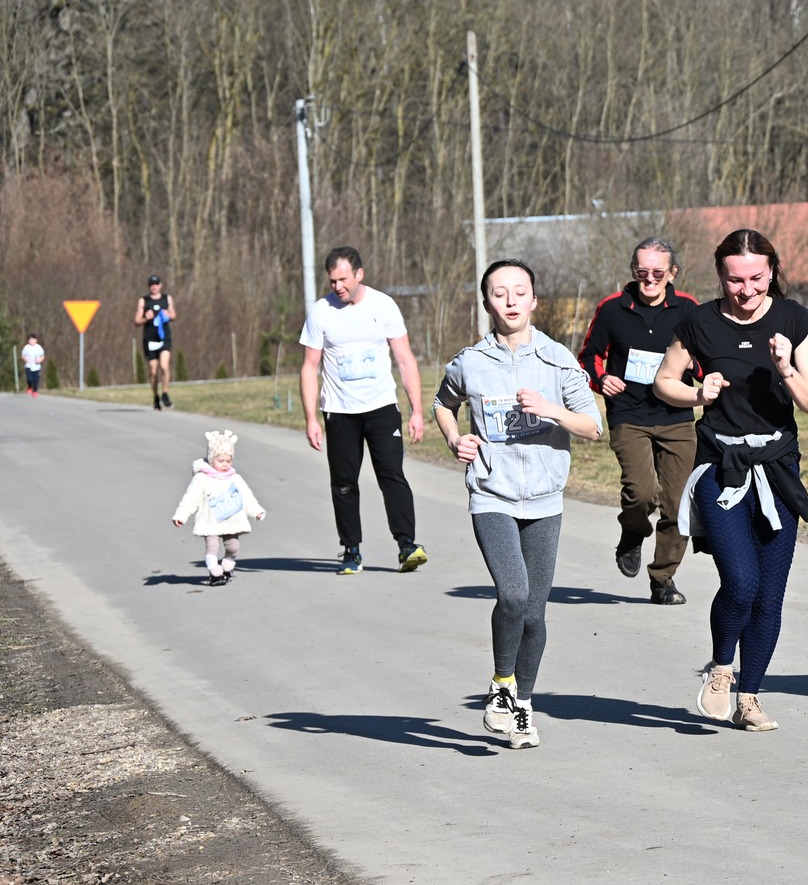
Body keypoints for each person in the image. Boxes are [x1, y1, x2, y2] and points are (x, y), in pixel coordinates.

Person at [652, 229, 808, 732]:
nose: (745, 290)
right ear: (720, 276)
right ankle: (722, 667)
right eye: (734, 280)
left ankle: (750, 698)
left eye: (755, 278)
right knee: (741, 582)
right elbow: (665, 382)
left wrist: (786, 368)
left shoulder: (794, 319)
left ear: (772, 270)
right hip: (719, 467)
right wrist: (696, 393)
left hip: (779, 469)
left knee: (770, 595)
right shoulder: (698, 321)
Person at [435, 259, 603, 750]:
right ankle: (501, 684)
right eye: (498, 293)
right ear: (487, 302)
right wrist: (454, 441)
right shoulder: (470, 362)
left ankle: (524, 705)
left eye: (519, 292)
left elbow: (594, 427)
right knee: (512, 594)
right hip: (492, 495)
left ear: (533, 300)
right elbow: (443, 403)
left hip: (545, 501)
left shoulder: (557, 360)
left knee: (534, 612)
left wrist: (552, 410)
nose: (509, 301)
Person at [577, 237, 698, 604]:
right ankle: (632, 532)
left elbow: (708, 356)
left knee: (678, 505)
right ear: (633, 272)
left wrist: (698, 369)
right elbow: (587, 357)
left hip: (677, 415)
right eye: (642, 272)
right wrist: (601, 379)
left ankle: (663, 580)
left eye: (658, 273)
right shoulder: (612, 309)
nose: (649, 279)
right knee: (642, 492)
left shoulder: (690, 309)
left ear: (672, 273)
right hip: (629, 415)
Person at [298, 246, 429, 577]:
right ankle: (351, 550)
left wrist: (417, 410)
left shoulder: (383, 306)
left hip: (382, 408)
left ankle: (407, 545)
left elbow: (405, 359)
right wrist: (311, 418)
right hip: (340, 412)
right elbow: (309, 367)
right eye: (332, 281)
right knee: (343, 483)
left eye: (343, 279)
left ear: (359, 274)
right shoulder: (321, 312)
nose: (337, 287)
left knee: (392, 476)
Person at [171, 429, 267, 586]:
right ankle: (214, 573)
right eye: (220, 461)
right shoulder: (201, 478)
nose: (225, 464)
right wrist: (181, 516)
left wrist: (256, 511)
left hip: (231, 519)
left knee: (233, 547)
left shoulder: (235, 478)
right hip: (210, 520)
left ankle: (227, 566)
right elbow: (190, 498)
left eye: (228, 461)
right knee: (212, 545)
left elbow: (246, 496)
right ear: (211, 459)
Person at [135, 276, 176, 409]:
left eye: (156, 284)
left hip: (164, 337)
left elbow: (173, 315)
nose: (154, 286)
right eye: (152, 284)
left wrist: (168, 315)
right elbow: (136, 321)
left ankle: (165, 393)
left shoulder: (167, 299)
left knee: (164, 366)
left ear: (160, 285)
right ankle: (155, 396)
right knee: (153, 371)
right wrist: (145, 318)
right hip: (150, 339)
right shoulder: (143, 301)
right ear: (149, 286)